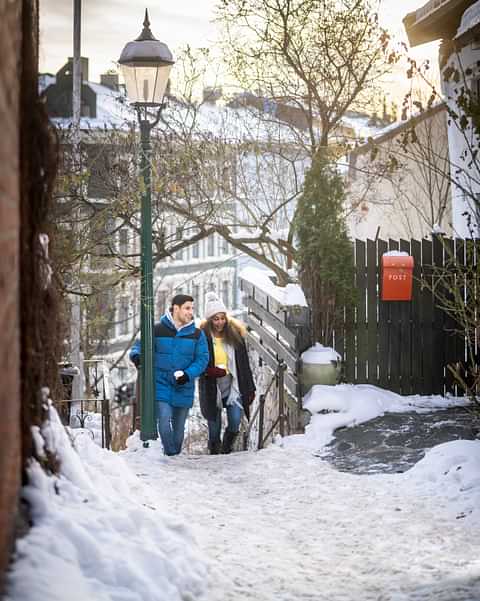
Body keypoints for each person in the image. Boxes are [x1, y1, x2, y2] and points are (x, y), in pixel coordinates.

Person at [129, 294, 209, 456]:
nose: (190, 312)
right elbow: (137, 347)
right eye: (187, 308)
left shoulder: (197, 334)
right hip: (161, 383)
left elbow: (202, 359)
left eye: (192, 308)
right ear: (176, 308)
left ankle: (173, 456)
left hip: (183, 386)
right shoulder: (156, 329)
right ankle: (171, 456)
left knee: (179, 430)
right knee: (164, 420)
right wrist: (137, 357)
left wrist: (188, 374)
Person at [199, 292, 256, 454]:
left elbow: (244, 365)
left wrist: (250, 388)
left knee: (235, 421)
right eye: (216, 319)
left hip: (233, 385)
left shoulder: (235, 335)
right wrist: (209, 371)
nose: (220, 322)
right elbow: (197, 361)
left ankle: (226, 448)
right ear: (210, 320)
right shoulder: (202, 337)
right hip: (211, 387)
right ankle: (215, 453)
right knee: (214, 427)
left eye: (222, 318)